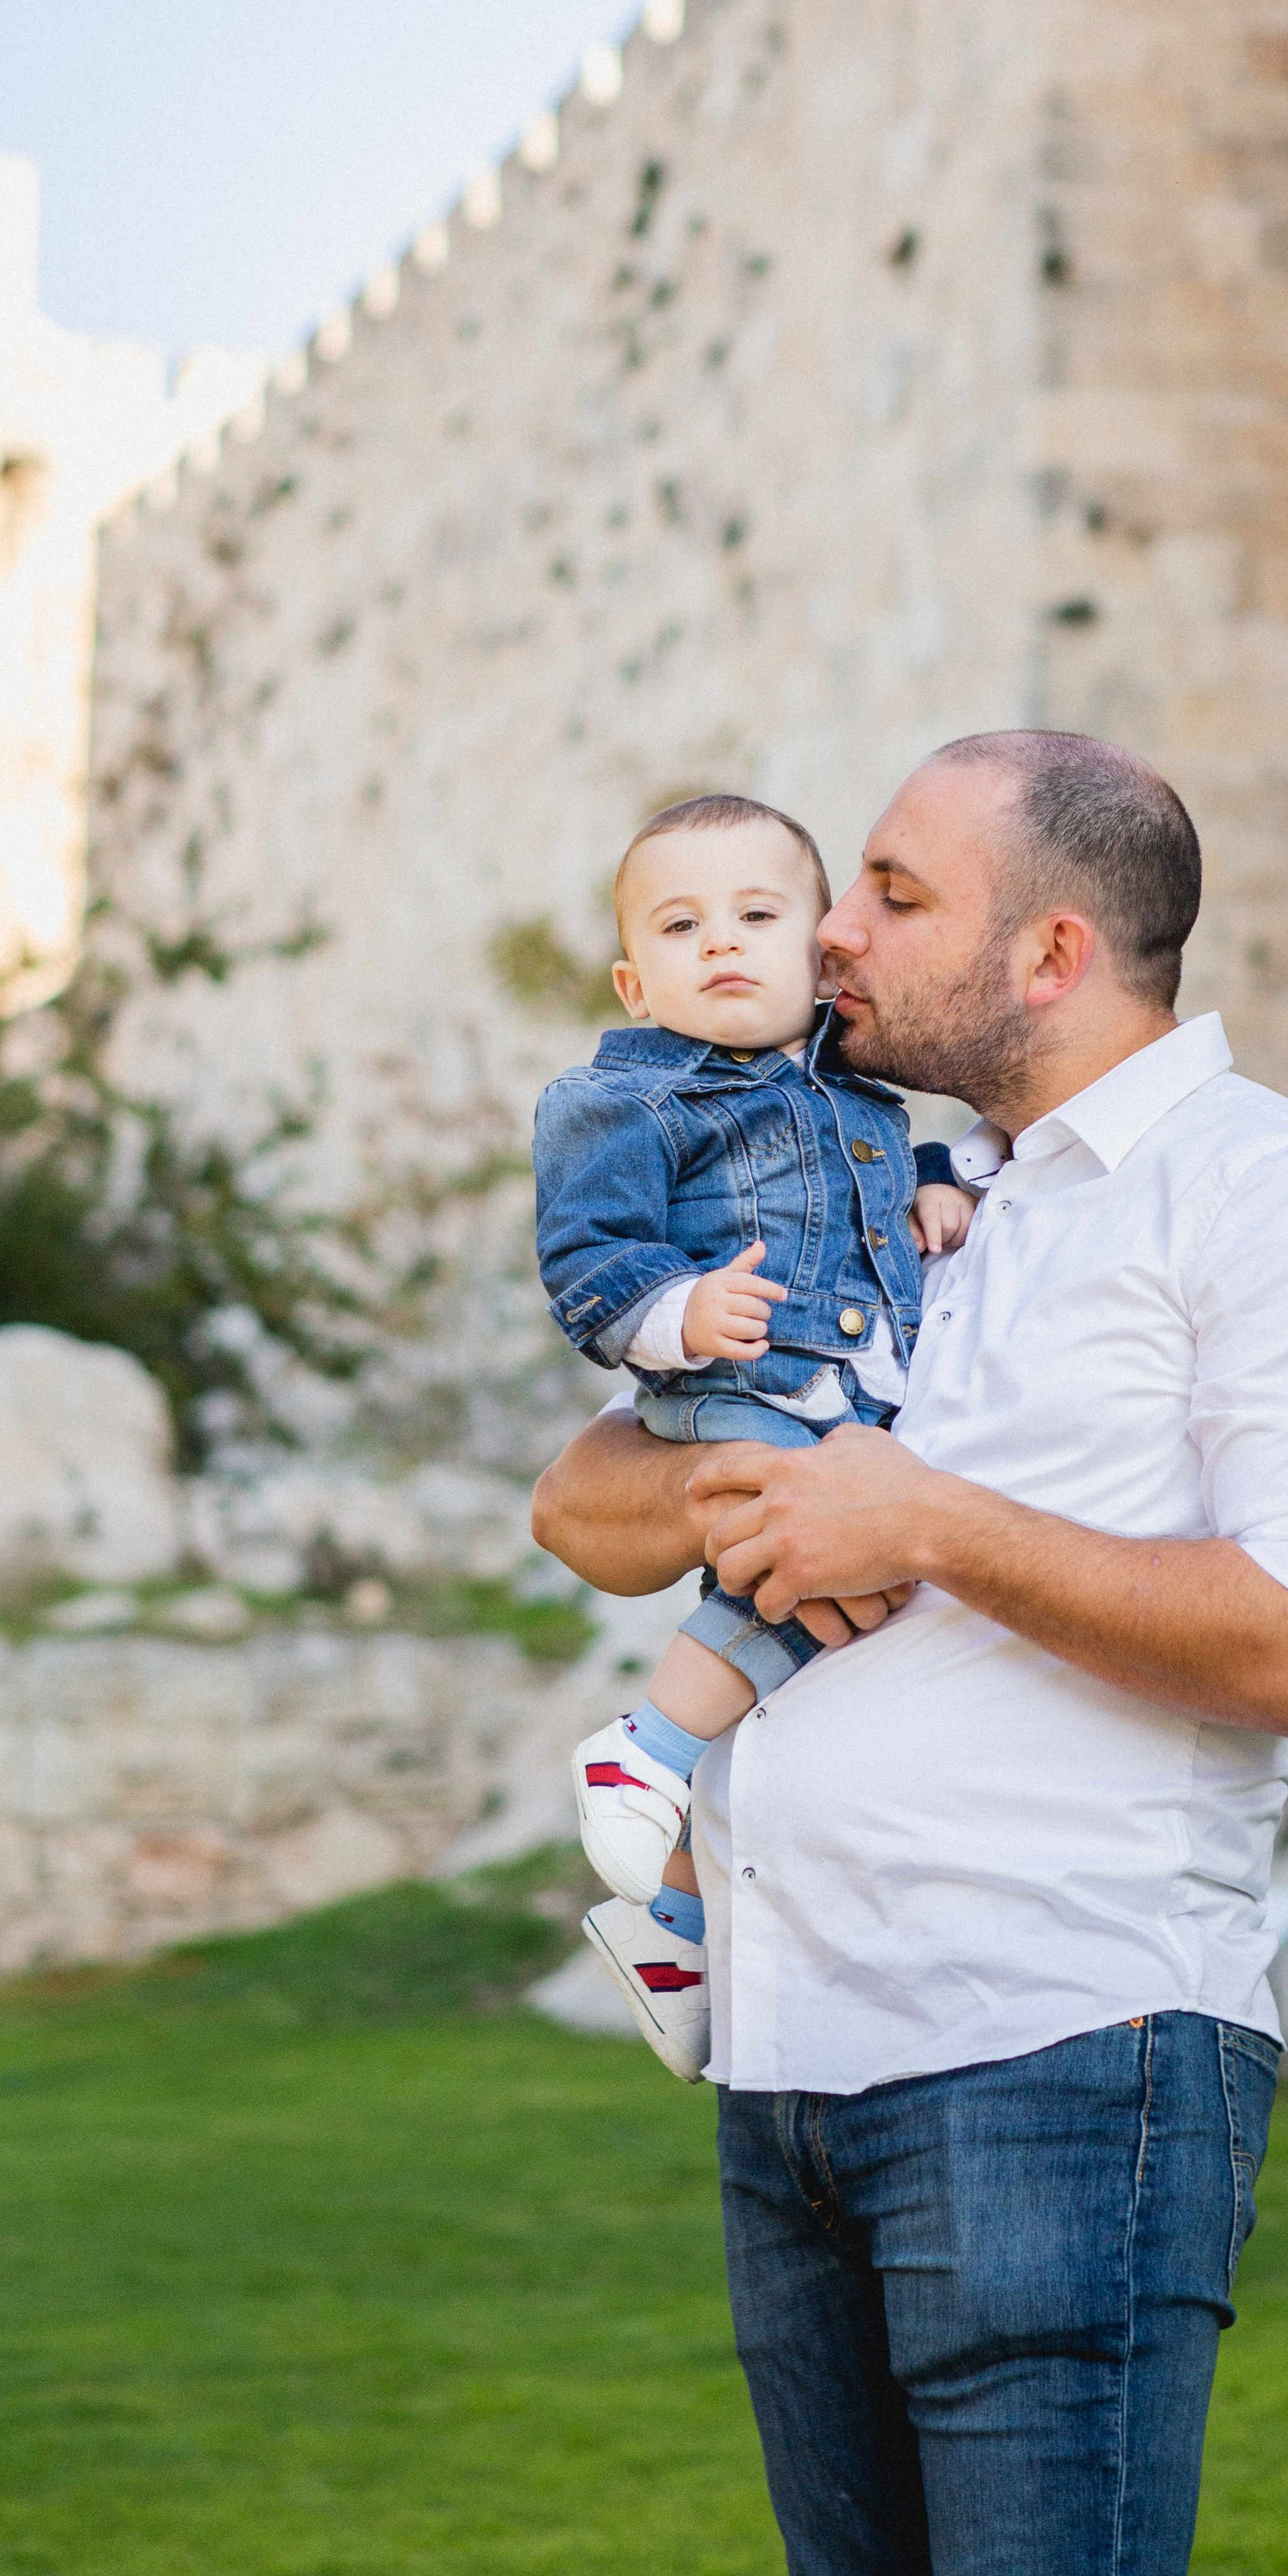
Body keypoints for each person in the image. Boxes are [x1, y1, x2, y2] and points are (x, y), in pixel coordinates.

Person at [532, 731, 1288, 2576]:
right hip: (788, 2069)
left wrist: (925, 1520)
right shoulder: (885, 1185)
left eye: (891, 895)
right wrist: (752, 1478)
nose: (829, 938)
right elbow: (578, 1503)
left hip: (1061, 2060)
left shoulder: (1283, 1197)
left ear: (1047, 954)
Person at [532, 793, 973, 2074]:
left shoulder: (857, 1081)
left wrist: (938, 1188)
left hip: (835, 1390)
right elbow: (587, 1261)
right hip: (741, 1384)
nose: (721, 944)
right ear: (634, 979)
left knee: (840, 1607)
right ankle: (646, 1747)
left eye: (757, 915)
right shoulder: (628, 1098)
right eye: (681, 926)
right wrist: (680, 1310)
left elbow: (879, 1178)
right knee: (827, 1551)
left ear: (817, 947)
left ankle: (672, 1919)